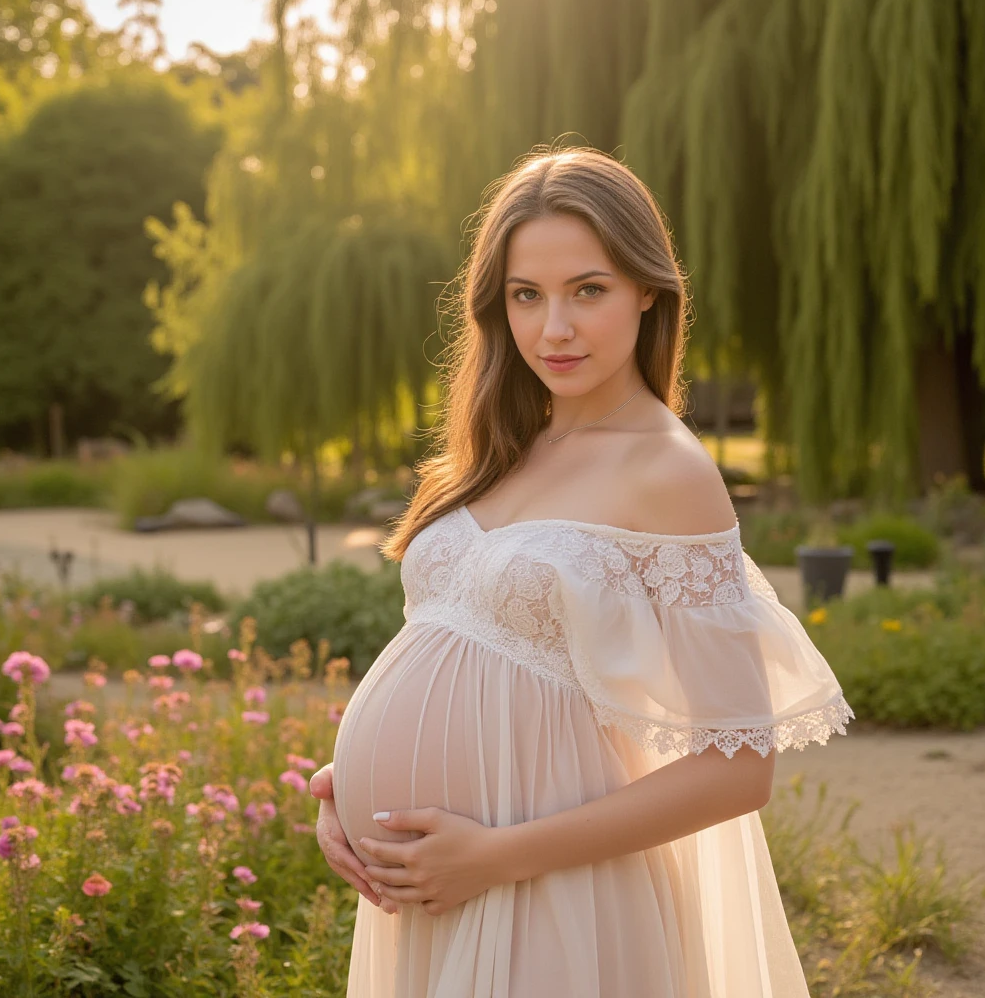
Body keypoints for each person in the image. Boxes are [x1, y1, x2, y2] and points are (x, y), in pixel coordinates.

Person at [311, 145, 854, 996]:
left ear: (649, 289)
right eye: (527, 295)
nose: (552, 329)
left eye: (587, 291)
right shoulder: (506, 447)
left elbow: (739, 766)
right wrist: (348, 789)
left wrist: (494, 856)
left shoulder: (667, 472)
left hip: (552, 897)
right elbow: (477, 661)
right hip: (434, 888)